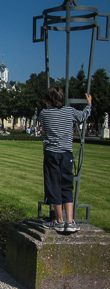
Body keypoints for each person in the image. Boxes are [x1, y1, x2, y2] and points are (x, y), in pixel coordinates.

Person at [39, 87, 91, 233]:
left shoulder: (44, 113)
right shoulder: (70, 111)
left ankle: (59, 221)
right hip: (66, 153)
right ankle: (70, 220)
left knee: (53, 184)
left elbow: (44, 129)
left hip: (51, 153)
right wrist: (89, 104)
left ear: (49, 101)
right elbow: (83, 116)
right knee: (67, 184)